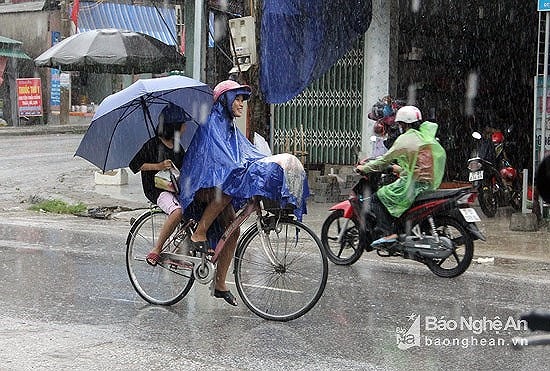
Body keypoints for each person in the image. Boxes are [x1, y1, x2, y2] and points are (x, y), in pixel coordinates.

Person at [178, 79, 266, 307]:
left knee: (233, 231)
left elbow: (245, 152)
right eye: (236, 99)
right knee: (226, 192)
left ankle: (220, 284)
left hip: (215, 184)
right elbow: (223, 159)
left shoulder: (229, 127)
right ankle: (200, 232)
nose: (240, 104)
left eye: (242, 99)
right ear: (225, 100)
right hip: (198, 185)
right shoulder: (212, 124)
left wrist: (264, 163)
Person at [356, 105, 446, 248]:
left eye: (400, 124)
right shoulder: (425, 136)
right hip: (427, 184)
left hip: (412, 185)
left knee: (377, 197)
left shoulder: (405, 139)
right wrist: (401, 170)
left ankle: (388, 234)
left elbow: (384, 160)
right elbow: (419, 165)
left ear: (403, 124)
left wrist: (364, 168)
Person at [129, 103, 189, 266]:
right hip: (156, 189)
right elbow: (135, 165)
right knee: (176, 212)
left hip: (174, 187)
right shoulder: (152, 145)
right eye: (183, 124)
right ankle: (157, 249)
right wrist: (159, 166)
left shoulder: (177, 146)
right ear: (174, 126)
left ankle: (180, 250)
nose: (185, 127)